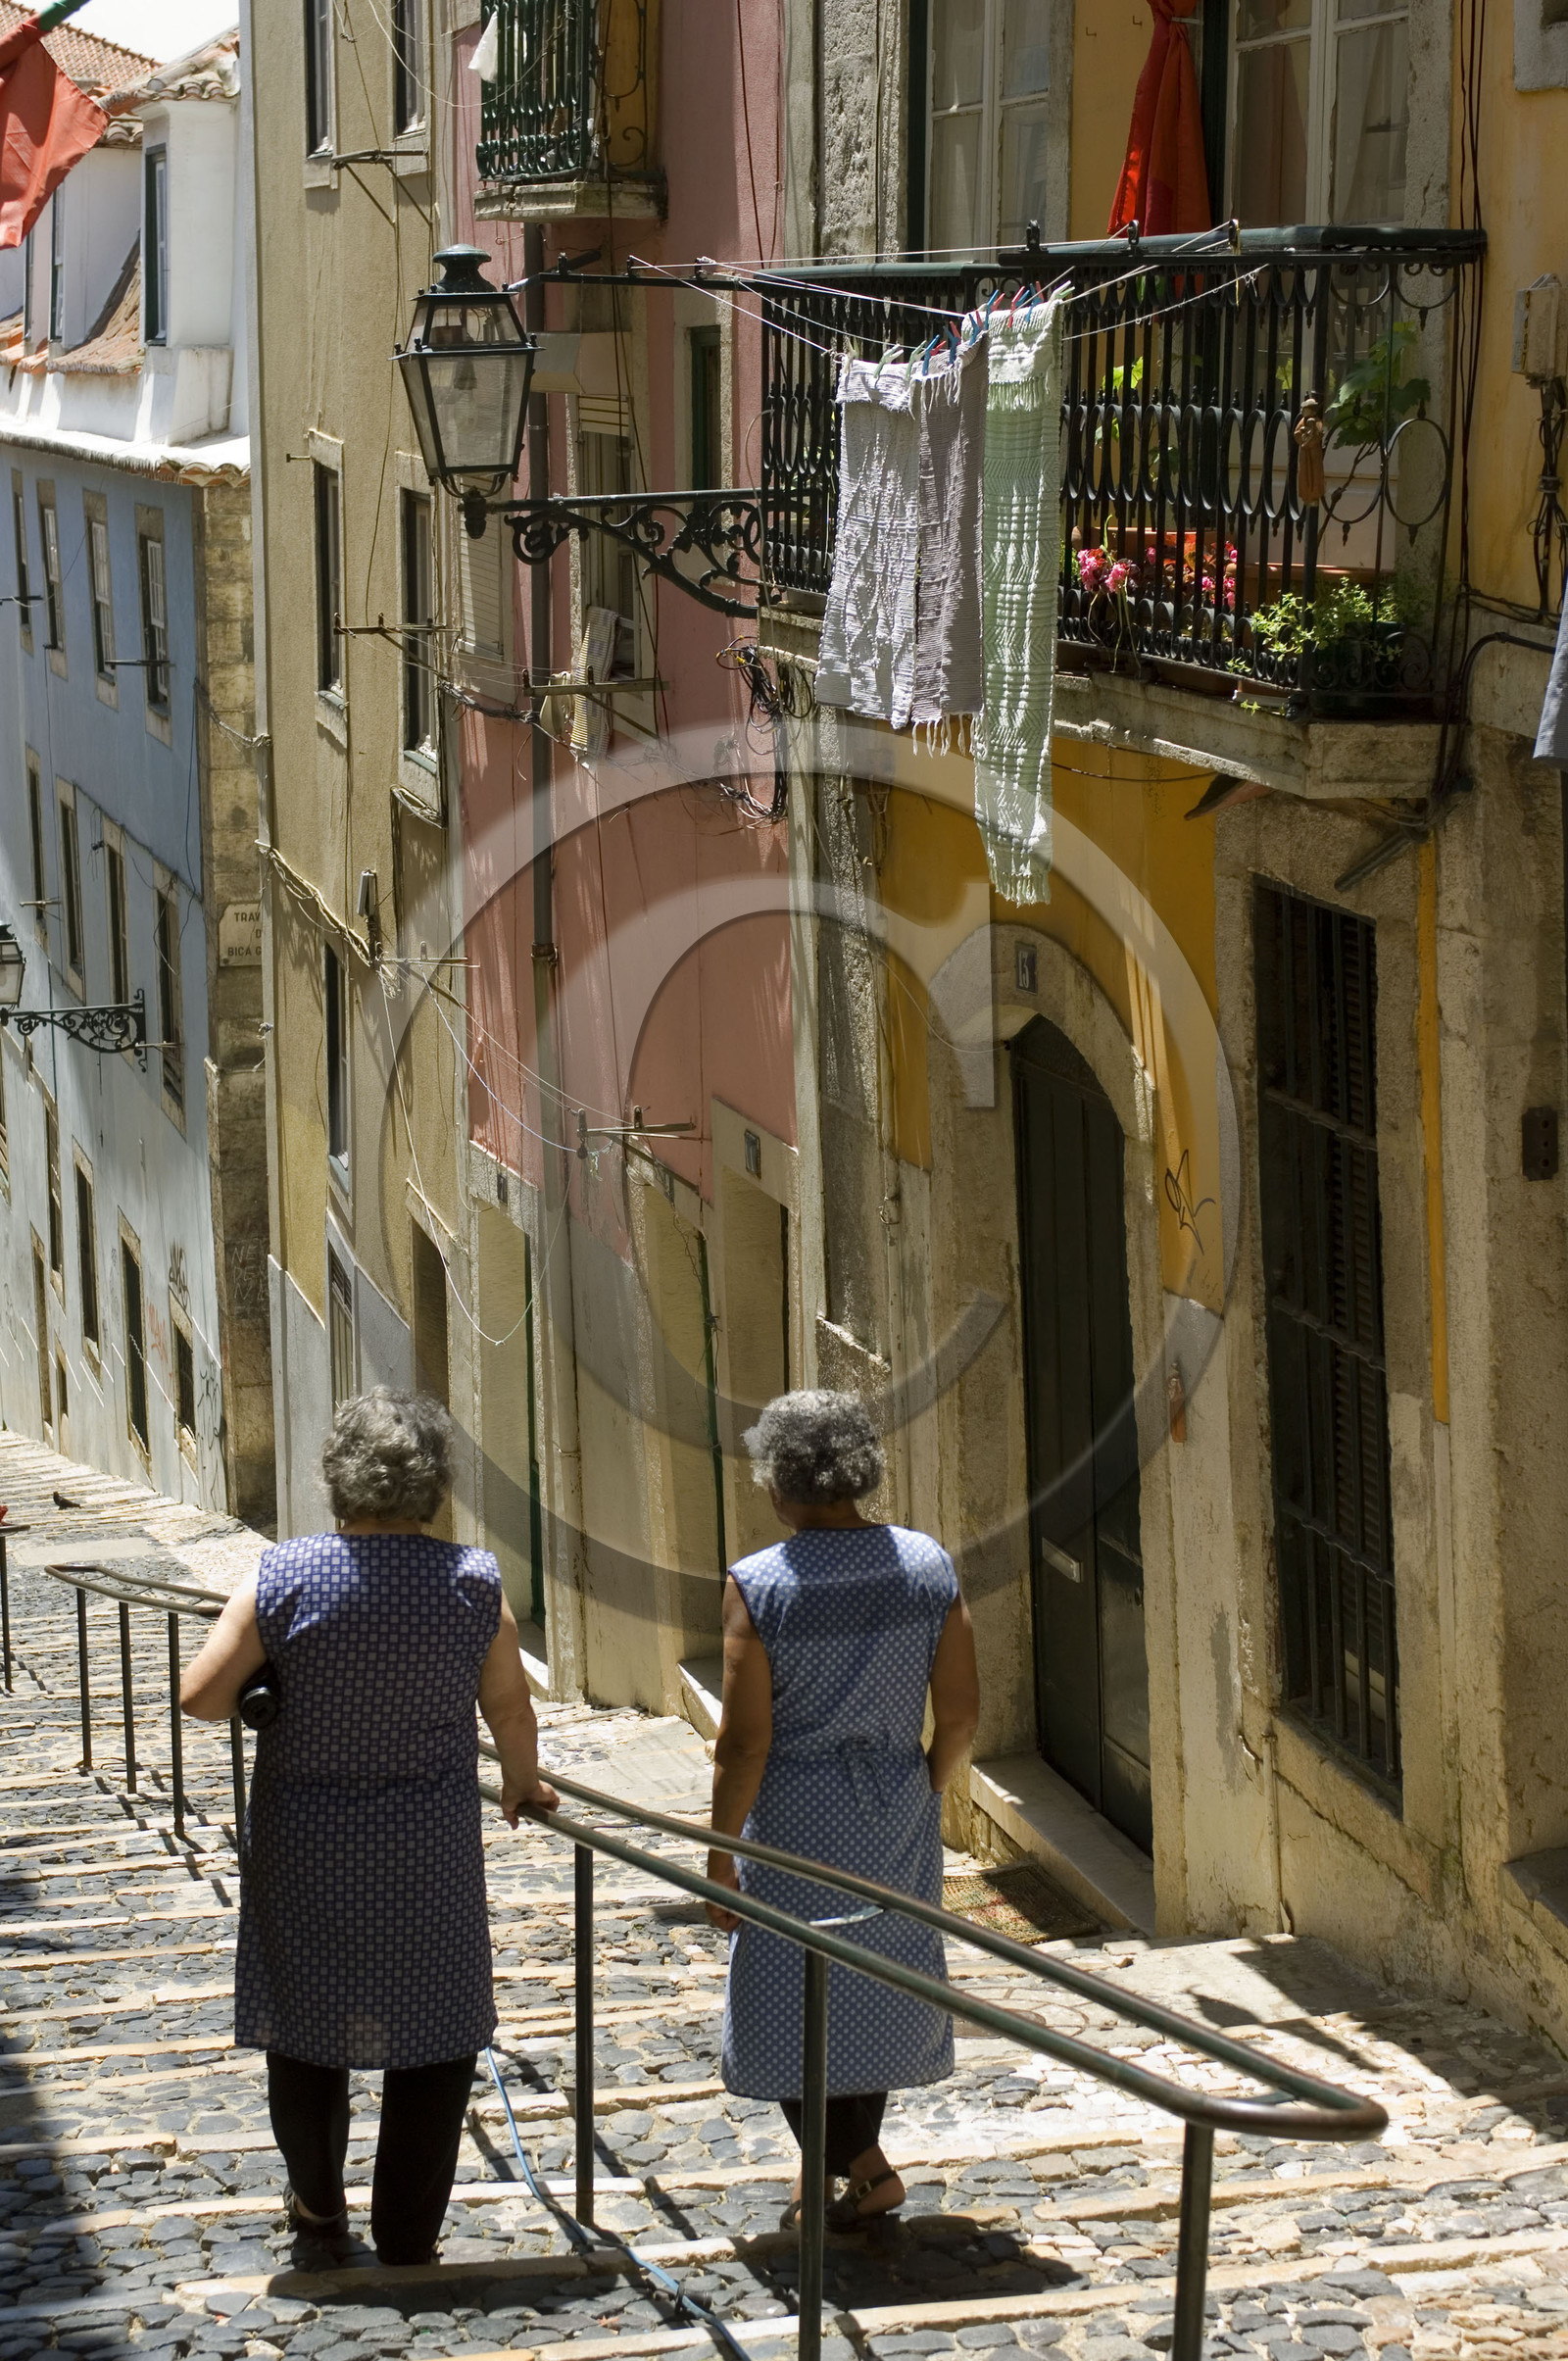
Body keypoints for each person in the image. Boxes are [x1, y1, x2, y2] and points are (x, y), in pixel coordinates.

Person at [180, 1389, 558, 2265]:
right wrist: (522, 1784)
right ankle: (407, 2232)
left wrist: (269, 1676)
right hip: (427, 1852)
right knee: (434, 2034)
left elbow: (199, 1694)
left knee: (304, 2028)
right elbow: (510, 1710)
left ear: (337, 1478)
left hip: (306, 1847)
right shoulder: (471, 1583)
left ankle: (318, 2205)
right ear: (433, 1484)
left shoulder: (283, 1575)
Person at [705, 1389, 980, 2228]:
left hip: (796, 1811)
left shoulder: (761, 1585)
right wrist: (925, 1783)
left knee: (791, 1990)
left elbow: (744, 1742)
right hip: (895, 1800)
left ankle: (861, 2162)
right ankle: (841, 2169)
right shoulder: (926, 1565)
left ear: (780, 1480)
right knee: (874, 1977)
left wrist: (719, 1857)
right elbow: (964, 1714)